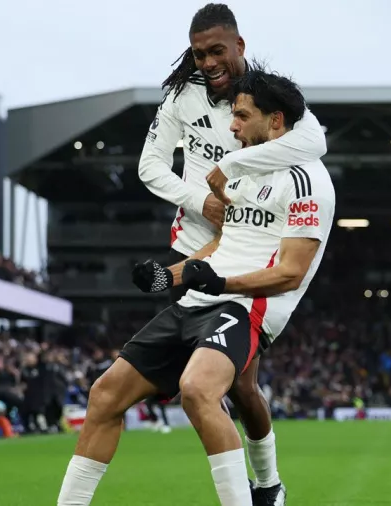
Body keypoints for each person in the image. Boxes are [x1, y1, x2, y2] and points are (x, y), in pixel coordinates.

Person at [57, 66, 335, 506]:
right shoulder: (242, 173)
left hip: (248, 306)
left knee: (198, 390)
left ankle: (260, 491)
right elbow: (225, 244)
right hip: (199, 300)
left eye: (243, 117)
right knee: (104, 394)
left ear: (276, 120)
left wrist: (219, 281)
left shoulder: (307, 180)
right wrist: (169, 274)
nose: (233, 126)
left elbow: (291, 273)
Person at [137, 4, 327, 502]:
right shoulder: (181, 95)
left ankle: (265, 485)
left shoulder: (267, 97)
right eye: (199, 54)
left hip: (250, 249)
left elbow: (315, 142)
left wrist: (236, 165)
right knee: (212, 387)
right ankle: (257, 488)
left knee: (236, 389)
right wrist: (201, 199)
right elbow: (150, 166)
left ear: (239, 46)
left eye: (217, 51)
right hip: (199, 246)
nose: (208, 62)